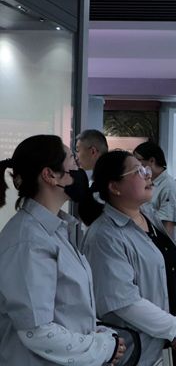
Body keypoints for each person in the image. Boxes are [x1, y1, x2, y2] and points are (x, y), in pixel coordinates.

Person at [0, 134, 125, 365]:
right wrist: (102, 347)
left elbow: (65, 309)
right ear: (50, 175)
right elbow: (37, 331)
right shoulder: (29, 241)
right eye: (72, 162)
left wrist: (98, 334)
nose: (79, 170)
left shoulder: (55, 230)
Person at [81, 151, 176, 365]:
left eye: (145, 169)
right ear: (115, 187)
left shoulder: (148, 215)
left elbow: (174, 268)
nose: (148, 174)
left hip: (165, 346)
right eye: (138, 171)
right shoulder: (104, 236)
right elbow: (124, 302)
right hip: (136, 351)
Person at [133, 141, 176, 240]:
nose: (136, 165)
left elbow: (167, 224)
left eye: (138, 160)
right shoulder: (145, 181)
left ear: (151, 161)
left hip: (156, 242)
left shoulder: (168, 185)